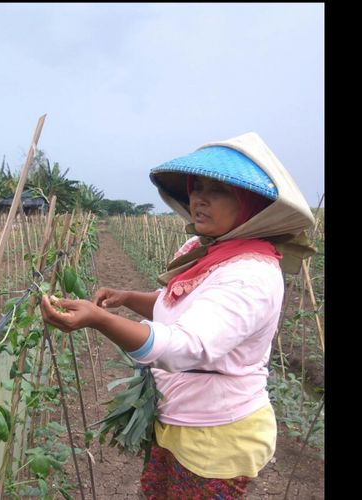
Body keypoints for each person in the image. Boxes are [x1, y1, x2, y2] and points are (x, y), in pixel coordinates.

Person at [40, 132, 316, 498]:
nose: (199, 199)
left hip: (218, 434)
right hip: (175, 415)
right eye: (196, 187)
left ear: (251, 202)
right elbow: (179, 306)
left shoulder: (251, 273)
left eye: (217, 190)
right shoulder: (206, 249)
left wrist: (99, 319)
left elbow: (190, 344)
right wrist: (127, 297)